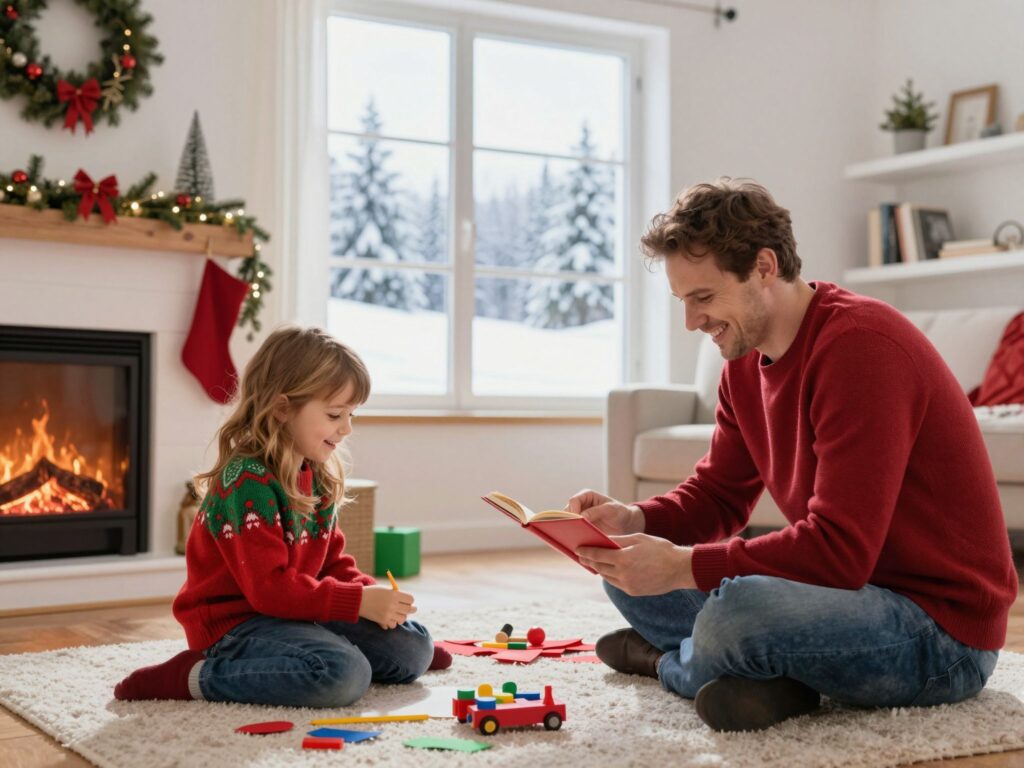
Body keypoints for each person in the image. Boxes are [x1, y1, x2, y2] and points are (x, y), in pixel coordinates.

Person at [570, 178, 1019, 732]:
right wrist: (634, 519)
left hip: (937, 633)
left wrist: (683, 566)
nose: (692, 322)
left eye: (703, 298)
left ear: (763, 266)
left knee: (737, 611)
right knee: (623, 564)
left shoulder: (860, 348)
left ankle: (670, 663)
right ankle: (767, 678)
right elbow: (717, 495)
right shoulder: (742, 360)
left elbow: (840, 550)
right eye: (683, 301)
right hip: (840, 598)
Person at [114, 326, 449, 706]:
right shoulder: (246, 482)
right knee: (342, 675)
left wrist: (376, 602)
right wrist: (357, 603)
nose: (348, 427)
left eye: (352, 414)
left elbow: (332, 564)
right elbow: (270, 590)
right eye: (336, 414)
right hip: (236, 625)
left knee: (414, 648)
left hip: (295, 611)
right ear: (282, 408)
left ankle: (397, 651)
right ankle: (193, 675)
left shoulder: (315, 472)